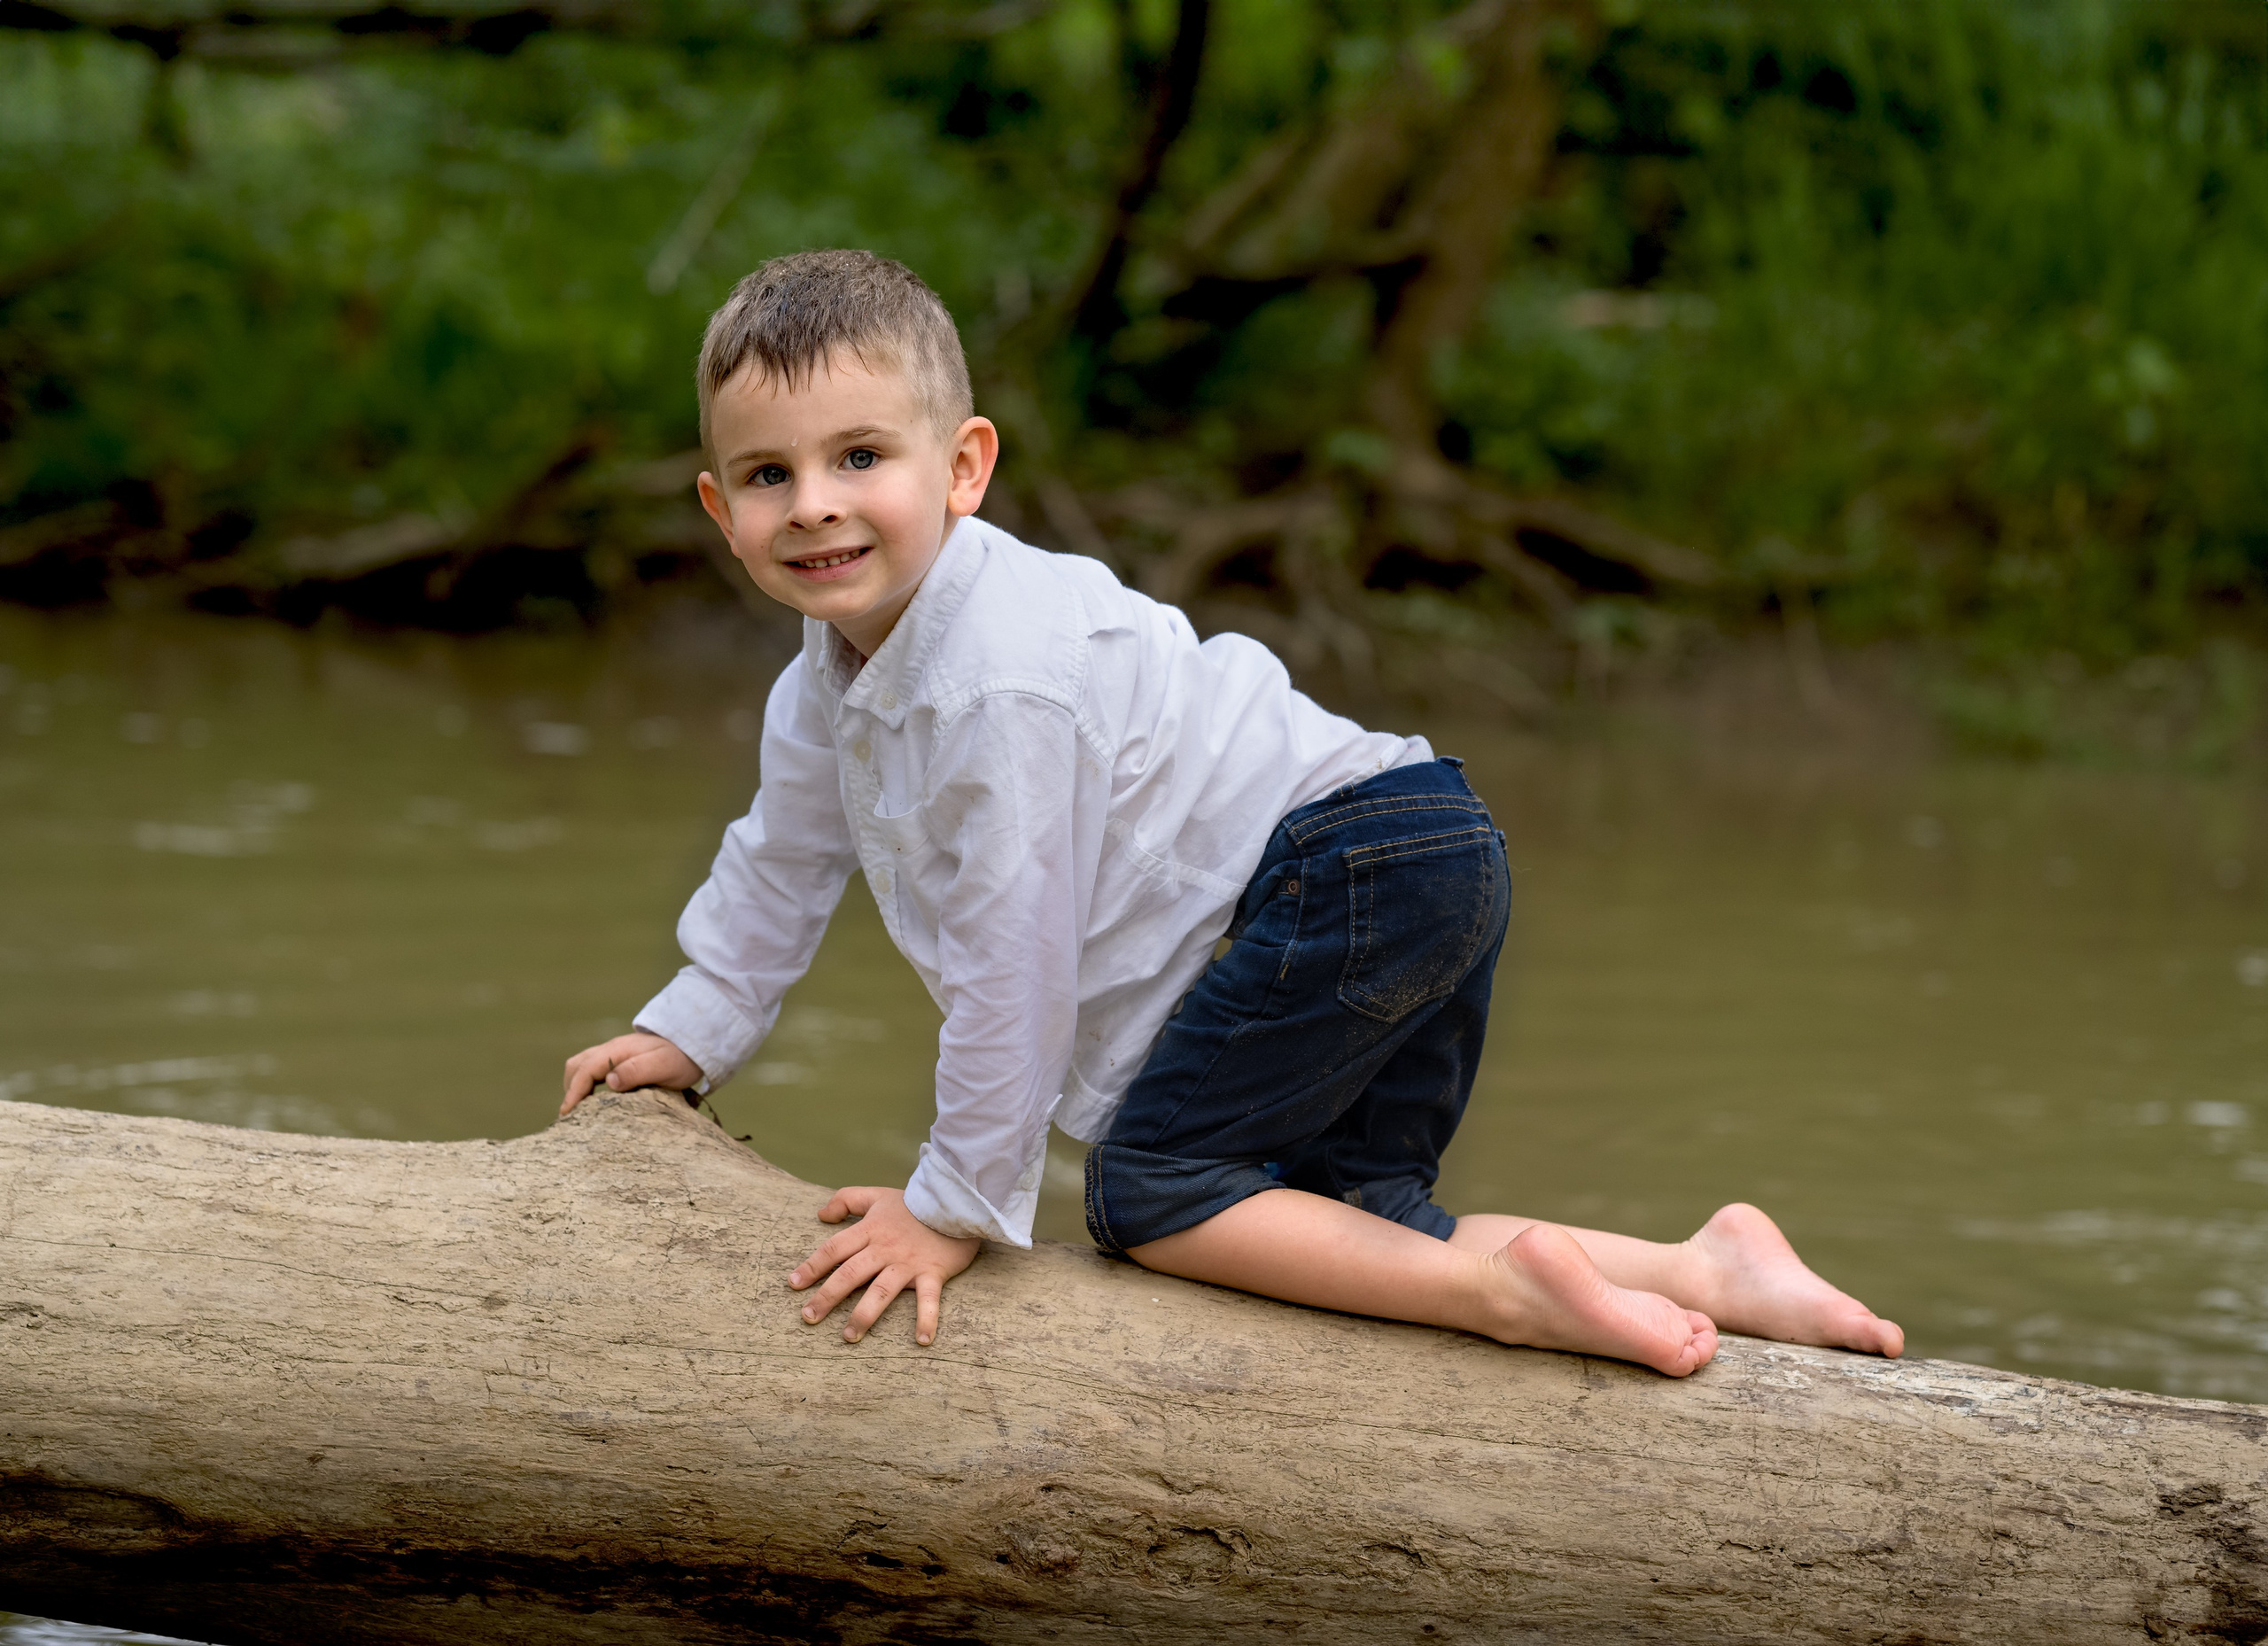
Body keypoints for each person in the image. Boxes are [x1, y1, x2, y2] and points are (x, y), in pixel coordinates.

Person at [560, 249, 1904, 1378]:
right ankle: (1704, 1267)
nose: (818, 507)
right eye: (769, 476)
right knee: (1323, 1218)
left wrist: (949, 1207)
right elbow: (781, 859)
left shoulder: (997, 683)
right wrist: (690, 1028)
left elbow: (1014, 961)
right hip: (1422, 847)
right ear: (716, 507)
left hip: (1357, 862)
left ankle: (1509, 1298)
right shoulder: (828, 685)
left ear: (964, 466)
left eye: (860, 455)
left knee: (1147, 1195)